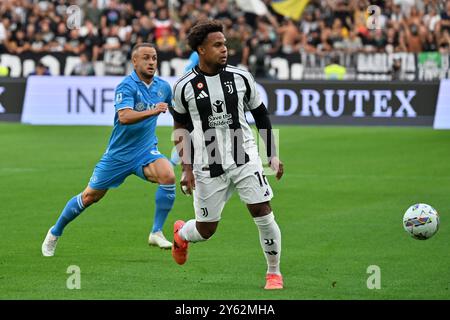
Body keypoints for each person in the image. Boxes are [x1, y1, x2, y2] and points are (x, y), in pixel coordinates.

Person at [170, 20, 284, 290]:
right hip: (207, 163)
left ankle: (274, 273)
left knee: (262, 211)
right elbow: (180, 128)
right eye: (217, 45)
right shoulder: (184, 87)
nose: (225, 50)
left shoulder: (241, 77)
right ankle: (182, 233)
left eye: (225, 44)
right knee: (206, 230)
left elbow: (261, 115)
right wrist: (186, 170)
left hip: (244, 155)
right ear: (201, 49)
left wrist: (272, 155)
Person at [42, 43, 177, 256]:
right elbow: (124, 117)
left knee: (168, 175)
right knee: (89, 197)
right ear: (134, 61)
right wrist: (153, 111)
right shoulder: (126, 86)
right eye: (146, 58)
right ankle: (55, 231)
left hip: (145, 151)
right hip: (118, 156)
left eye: (154, 58)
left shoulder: (164, 87)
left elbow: (178, 112)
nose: (151, 62)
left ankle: (156, 232)